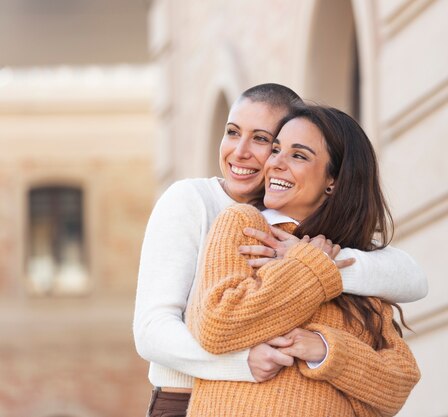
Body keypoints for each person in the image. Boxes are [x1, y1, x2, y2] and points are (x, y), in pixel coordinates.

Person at [133, 84, 427, 416]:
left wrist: (327, 342)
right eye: (232, 132)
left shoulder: (326, 244)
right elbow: (154, 329)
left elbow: (411, 279)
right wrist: (243, 362)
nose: (241, 151)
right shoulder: (200, 203)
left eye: (262, 140)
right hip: (186, 397)